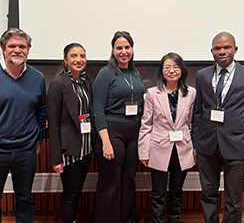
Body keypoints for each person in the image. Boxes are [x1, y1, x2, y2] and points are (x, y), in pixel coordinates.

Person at [192, 32, 244, 223]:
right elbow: (198, 110)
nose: (222, 51)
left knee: (234, 199)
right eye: (217, 48)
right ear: (212, 51)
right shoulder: (202, 75)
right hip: (207, 145)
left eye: (226, 47)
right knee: (208, 195)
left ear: (235, 49)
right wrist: (196, 141)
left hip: (237, 145)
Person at [93, 31, 145, 223]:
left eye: (127, 47)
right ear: (113, 51)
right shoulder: (105, 73)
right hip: (112, 133)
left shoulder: (135, 74)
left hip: (134, 133)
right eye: (119, 48)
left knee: (128, 181)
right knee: (110, 183)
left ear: (132, 49)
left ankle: (125, 219)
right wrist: (105, 142)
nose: (124, 51)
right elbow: (97, 110)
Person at [138, 52, 196, 223]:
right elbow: (146, 124)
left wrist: (194, 148)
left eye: (176, 67)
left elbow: (192, 122)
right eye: (167, 67)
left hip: (182, 149)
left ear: (182, 70)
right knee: (158, 192)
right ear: (162, 71)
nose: (172, 70)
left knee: (177, 191)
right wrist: (143, 152)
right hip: (158, 149)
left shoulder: (191, 93)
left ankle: (174, 220)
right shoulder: (152, 93)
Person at [0, 27, 46, 223]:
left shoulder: (38, 78)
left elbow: (41, 110)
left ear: (28, 50)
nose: (17, 50)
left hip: (26, 150)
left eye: (22, 46)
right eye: (12, 46)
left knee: (25, 198)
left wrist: (38, 139)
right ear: (3, 49)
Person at [47, 43, 94, 223]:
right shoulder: (58, 85)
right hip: (70, 150)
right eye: (74, 56)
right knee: (70, 193)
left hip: (86, 147)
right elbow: (53, 124)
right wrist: (55, 158)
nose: (79, 60)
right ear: (65, 60)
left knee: (77, 191)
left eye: (82, 56)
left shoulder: (86, 82)